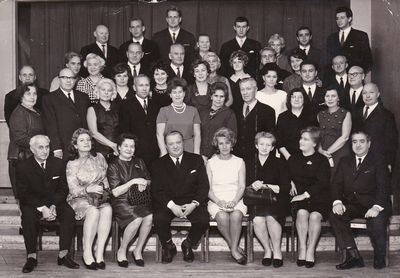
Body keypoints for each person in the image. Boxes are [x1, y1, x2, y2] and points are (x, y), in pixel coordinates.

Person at [17, 135, 79, 273]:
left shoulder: (58, 163)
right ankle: (31, 257)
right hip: (33, 203)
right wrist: (42, 208)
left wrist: (53, 206)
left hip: (55, 202)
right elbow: (23, 194)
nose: (45, 151)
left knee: (68, 213)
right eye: (40, 147)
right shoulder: (23, 166)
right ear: (32, 149)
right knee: (27, 215)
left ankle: (63, 254)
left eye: (47, 147)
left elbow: (63, 188)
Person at [330, 131, 391, 270]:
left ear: (369, 144)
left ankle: (379, 257)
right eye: (354, 142)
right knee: (335, 214)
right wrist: (337, 202)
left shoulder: (379, 161)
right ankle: (354, 256)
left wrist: (376, 207)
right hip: (353, 204)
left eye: (362, 141)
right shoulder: (345, 161)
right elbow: (336, 184)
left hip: (374, 204)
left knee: (377, 221)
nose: (358, 145)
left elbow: (384, 187)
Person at [151, 130, 209, 263]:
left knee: (203, 219)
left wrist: (194, 204)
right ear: (166, 145)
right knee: (159, 218)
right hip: (168, 202)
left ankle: (188, 243)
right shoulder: (157, 164)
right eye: (171, 144)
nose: (175, 146)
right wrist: (172, 206)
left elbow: (203, 186)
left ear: (183, 143)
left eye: (178, 142)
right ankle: (168, 245)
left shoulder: (196, 160)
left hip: (190, 201)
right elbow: (157, 190)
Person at [66, 128, 112, 270]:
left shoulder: (99, 157)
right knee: (93, 211)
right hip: (79, 199)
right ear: (75, 145)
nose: (86, 142)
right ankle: (87, 252)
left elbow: (105, 179)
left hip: (98, 197)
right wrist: (88, 189)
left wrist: (105, 190)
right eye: (81, 140)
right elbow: (73, 190)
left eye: (88, 139)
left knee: (107, 210)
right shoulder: (71, 164)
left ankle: (99, 253)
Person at [107, 134, 153, 267]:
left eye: (132, 146)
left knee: (149, 217)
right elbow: (115, 192)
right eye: (126, 146)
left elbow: (149, 180)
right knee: (137, 218)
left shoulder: (139, 161)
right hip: (121, 201)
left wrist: (144, 182)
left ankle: (138, 250)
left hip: (139, 199)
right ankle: (122, 250)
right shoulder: (113, 166)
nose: (129, 149)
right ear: (119, 148)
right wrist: (133, 182)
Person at [288, 127, 331, 268]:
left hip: (318, 197)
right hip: (299, 199)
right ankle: (302, 248)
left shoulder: (322, 160)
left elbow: (323, 182)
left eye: (305, 139)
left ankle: (311, 250)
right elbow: (284, 173)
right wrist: (290, 181)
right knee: (301, 213)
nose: (301, 141)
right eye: (301, 138)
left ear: (314, 143)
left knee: (314, 216)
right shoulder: (293, 158)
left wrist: (305, 195)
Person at [246, 132, 290, 268]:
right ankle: (267, 250)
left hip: (276, 200)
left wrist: (267, 186)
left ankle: (277, 251)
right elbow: (243, 184)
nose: (264, 147)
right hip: (256, 200)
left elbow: (285, 187)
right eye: (261, 144)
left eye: (268, 145)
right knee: (258, 219)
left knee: (271, 217)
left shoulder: (280, 162)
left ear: (272, 148)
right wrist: (252, 184)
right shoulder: (248, 162)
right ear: (256, 145)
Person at [206, 127, 247, 265]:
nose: (224, 146)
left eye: (227, 143)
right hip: (216, 199)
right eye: (221, 143)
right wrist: (219, 202)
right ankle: (234, 248)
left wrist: (235, 201)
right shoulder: (211, 163)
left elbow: (242, 186)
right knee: (222, 217)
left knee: (236, 215)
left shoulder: (239, 161)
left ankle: (233, 248)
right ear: (216, 145)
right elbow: (208, 189)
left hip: (237, 198)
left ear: (232, 144)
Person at [42, 68, 90, 160]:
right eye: (64, 77)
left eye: (72, 78)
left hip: (83, 146)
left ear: (75, 80)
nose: (68, 81)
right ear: (59, 79)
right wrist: (57, 148)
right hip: (63, 147)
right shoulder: (49, 99)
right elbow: (50, 125)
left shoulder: (83, 97)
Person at [8, 84, 45, 199]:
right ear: (21, 96)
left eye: (34, 94)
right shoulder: (19, 113)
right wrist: (41, 145)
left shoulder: (36, 111)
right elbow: (20, 138)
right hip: (22, 160)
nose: (32, 97)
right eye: (28, 94)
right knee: (27, 201)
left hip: (34, 158)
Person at [352, 83, 398, 171]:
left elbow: (391, 142)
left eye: (371, 92)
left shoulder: (387, 115)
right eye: (364, 93)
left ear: (378, 94)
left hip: (379, 162)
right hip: (358, 159)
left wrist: (389, 163)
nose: (367, 96)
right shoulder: (356, 113)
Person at [120, 75, 159, 167]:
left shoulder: (156, 104)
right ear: (134, 87)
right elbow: (125, 130)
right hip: (137, 152)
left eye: (147, 85)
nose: (144, 88)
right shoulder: (126, 105)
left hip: (155, 151)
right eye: (141, 85)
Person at [234, 77, 275, 166]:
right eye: (242, 89)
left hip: (257, 160)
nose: (245, 92)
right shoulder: (234, 109)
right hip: (237, 158)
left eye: (248, 89)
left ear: (256, 90)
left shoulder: (268, 111)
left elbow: (269, 139)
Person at [156, 77, 201, 156]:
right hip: (170, 148)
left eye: (180, 92)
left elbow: (197, 134)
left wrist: (196, 153)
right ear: (170, 95)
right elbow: (159, 134)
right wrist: (164, 152)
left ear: (184, 93)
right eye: (174, 92)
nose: (177, 95)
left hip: (189, 149)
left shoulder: (193, 110)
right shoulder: (163, 111)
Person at [317, 87, 351, 178]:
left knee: (337, 181)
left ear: (338, 98)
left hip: (339, 152)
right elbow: (317, 136)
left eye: (333, 96)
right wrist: (321, 151)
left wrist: (328, 152)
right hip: (322, 153)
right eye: (327, 96)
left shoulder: (346, 113)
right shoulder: (320, 114)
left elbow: (345, 137)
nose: (330, 98)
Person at [326, 6, 373, 73]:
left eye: (342, 18)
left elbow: (368, 60)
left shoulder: (361, 36)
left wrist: (360, 74)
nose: (339, 21)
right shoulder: (331, 38)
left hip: (354, 77)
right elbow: (328, 61)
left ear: (349, 19)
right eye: (337, 18)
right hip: (335, 78)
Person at [276, 89, 317, 160]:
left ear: (304, 100)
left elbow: (315, 138)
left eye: (300, 97)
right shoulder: (282, 117)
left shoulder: (311, 116)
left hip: (308, 157)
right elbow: (279, 140)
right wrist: (288, 157)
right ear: (289, 99)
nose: (296, 99)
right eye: (293, 97)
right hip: (287, 158)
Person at [199, 82, 237, 159]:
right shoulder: (202, 111)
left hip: (219, 155)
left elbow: (231, 137)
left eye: (221, 96)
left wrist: (218, 154)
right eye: (216, 96)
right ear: (211, 96)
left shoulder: (229, 113)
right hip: (201, 155)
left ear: (225, 98)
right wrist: (200, 154)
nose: (218, 99)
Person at [87, 78, 120, 160]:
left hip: (118, 151)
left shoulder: (119, 108)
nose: (106, 92)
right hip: (100, 153)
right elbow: (93, 133)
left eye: (109, 90)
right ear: (98, 91)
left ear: (113, 92)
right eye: (103, 89)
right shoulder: (92, 109)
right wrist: (112, 145)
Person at [228, 50, 251, 116]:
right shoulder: (228, 80)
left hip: (246, 111)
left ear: (244, 63)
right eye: (234, 62)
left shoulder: (250, 79)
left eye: (239, 62)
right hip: (231, 112)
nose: (237, 64)